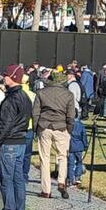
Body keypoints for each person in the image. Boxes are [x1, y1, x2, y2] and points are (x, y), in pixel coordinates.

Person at [0, 64, 32, 210]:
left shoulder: (10, 100)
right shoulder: (25, 97)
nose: (3, 78)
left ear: (13, 78)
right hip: (21, 140)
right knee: (18, 178)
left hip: (9, 142)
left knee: (7, 178)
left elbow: (5, 124)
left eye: (6, 75)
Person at [33, 68, 75, 200]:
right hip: (61, 127)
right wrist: (69, 129)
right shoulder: (68, 95)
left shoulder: (41, 93)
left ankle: (46, 190)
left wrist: (36, 128)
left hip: (44, 127)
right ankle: (62, 181)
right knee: (62, 156)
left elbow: (35, 113)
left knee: (44, 158)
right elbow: (71, 115)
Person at [67, 113, 89, 188]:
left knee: (71, 164)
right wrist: (86, 145)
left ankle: (70, 179)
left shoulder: (69, 125)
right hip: (79, 147)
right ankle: (77, 177)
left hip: (70, 146)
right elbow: (84, 136)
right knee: (79, 162)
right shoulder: (81, 125)